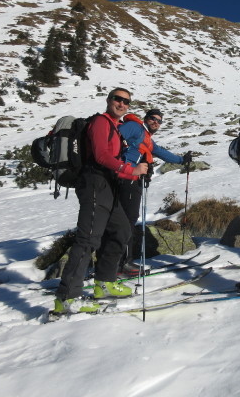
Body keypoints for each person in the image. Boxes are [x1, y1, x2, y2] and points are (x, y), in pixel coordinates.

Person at [53, 88, 148, 314]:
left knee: (122, 231)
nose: (122, 104)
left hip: (107, 185)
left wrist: (132, 174)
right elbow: (101, 156)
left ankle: (104, 283)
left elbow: (111, 162)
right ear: (109, 100)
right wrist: (130, 168)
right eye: (118, 99)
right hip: (94, 184)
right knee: (88, 240)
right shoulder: (100, 122)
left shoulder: (115, 128)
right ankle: (67, 297)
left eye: (126, 101)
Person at [116, 109, 193, 274]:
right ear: (146, 118)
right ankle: (123, 264)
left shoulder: (146, 138)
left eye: (159, 121)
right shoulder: (135, 128)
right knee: (127, 222)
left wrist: (181, 160)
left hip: (130, 179)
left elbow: (161, 152)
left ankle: (114, 263)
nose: (156, 122)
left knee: (123, 221)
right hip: (126, 179)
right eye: (153, 119)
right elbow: (113, 137)